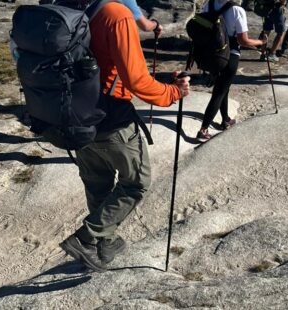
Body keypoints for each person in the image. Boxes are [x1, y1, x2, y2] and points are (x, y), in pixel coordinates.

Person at [59, 0, 190, 272]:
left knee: (98, 184)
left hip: (76, 119)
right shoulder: (115, 14)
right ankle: (87, 238)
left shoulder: (64, 9)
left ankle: (104, 244)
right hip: (112, 119)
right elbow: (137, 80)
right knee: (136, 183)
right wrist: (173, 92)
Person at [196, 0, 267, 142]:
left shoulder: (208, 4)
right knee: (219, 91)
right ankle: (203, 129)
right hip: (229, 55)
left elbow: (202, 27)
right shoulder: (237, 10)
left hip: (211, 54)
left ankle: (225, 119)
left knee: (223, 87)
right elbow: (243, 41)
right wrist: (261, 43)